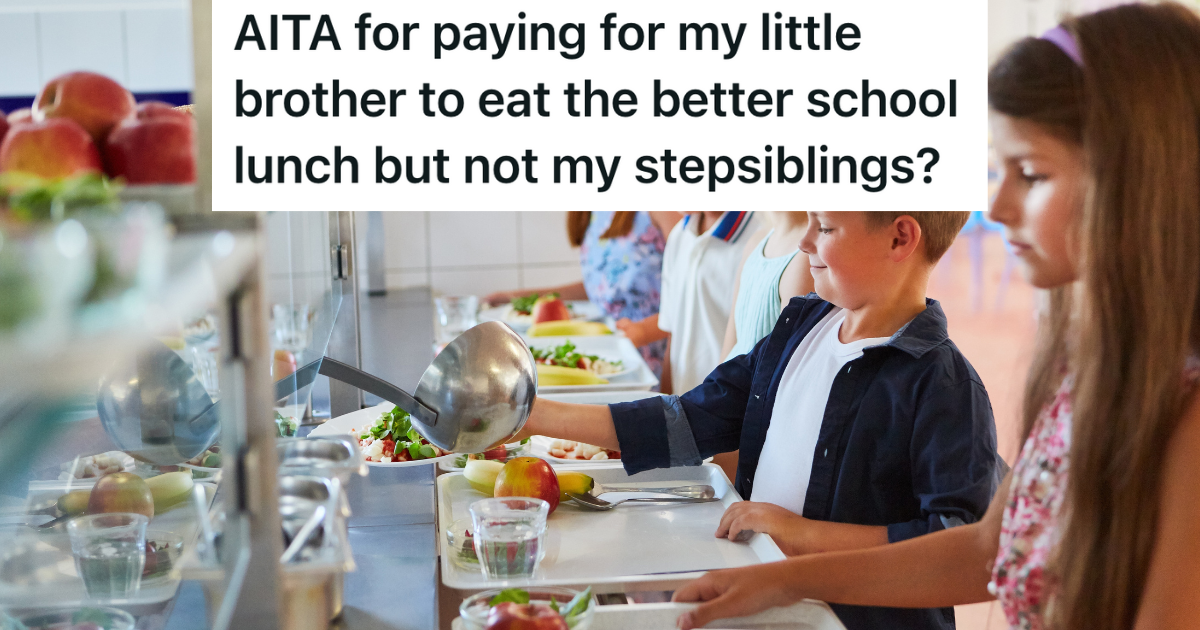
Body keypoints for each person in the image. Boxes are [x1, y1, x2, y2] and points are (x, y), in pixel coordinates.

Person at [671, 6, 1200, 630]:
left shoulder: (1184, 408)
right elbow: (985, 550)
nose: (997, 205)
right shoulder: (1087, 368)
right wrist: (782, 577)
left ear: (1138, 179)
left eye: (1030, 174)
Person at [519, 211, 1002, 630]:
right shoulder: (801, 327)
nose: (805, 240)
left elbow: (957, 545)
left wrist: (803, 532)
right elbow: (690, 417)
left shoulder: (945, 387)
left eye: (826, 226)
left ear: (900, 238)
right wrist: (535, 416)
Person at [484, 211, 679, 381]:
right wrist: (519, 298)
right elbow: (603, 288)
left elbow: (694, 295)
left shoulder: (660, 209)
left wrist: (643, 332)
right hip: (610, 357)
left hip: (655, 364)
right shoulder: (593, 212)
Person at [710, 211, 814, 479]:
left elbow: (787, 376)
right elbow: (731, 341)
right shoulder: (756, 241)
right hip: (731, 404)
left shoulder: (805, 255)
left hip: (758, 418)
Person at [619, 211, 761, 394]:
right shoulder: (680, 234)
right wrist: (667, 403)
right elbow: (674, 333)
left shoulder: (758, 237)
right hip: (686, 403)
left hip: (728, 405)